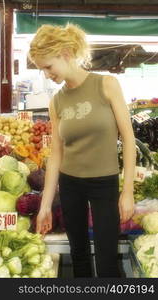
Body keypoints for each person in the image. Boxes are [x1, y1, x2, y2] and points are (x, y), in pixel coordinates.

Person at [28, 23, 136, 278]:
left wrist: (128, 190)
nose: (46, 74)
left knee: (108, 261)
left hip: (104, 184)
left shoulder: (107, 85)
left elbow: (129, 139)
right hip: (70, 185)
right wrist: (44, 206)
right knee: (79, 258)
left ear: (65, 53)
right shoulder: (56, 101)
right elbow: (56, 155)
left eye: (48, 66)